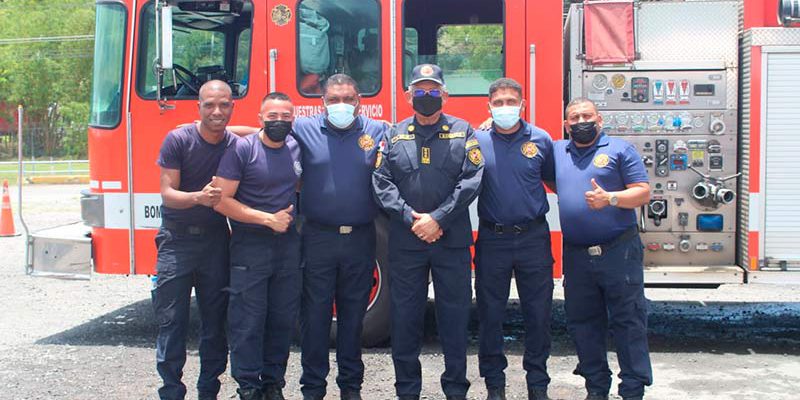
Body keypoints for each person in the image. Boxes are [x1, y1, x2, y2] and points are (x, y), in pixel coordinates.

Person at [372, 63, 484, 400]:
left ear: (445, 95)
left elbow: (472, 179)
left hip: (451, 241)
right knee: (405, 320)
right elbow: (381, 182)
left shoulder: (463, 132)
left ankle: (456, 390)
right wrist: (411, 218)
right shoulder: (393, 135)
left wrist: (439, 218)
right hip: (406, 243)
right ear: (408, 96)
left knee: (454, 320)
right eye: (419, 90)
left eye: (433, 90)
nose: (426, 96)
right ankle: (407, 391)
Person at [293, 74, 387, 400]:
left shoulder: (376, 130)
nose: (341, 105)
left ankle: (351, 387)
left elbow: (408, 137)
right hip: (318, 238)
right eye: (334, 99)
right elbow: (263, 134)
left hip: (360, 239)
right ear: (322, 102)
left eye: (348, 99)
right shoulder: (303, 129)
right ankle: (313, 388)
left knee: (353, 318)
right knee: (315, 317)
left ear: (359, 101)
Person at [553, 98, 653, 400]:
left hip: (618, 251)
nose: (581, 121)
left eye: (587, 116)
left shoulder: (621, 150)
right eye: (574, 118)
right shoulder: (557, 151)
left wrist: (610, 198)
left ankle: (632, 390)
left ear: (599, 119)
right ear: (566, 124)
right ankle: (596, 388)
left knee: (628, 320)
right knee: (583, 323)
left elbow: (643, 193)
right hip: (577, 255)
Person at [213, 92, 303, 400]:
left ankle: (273, 384)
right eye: (272, 116)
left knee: (282, 319)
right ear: (260, 118)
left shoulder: (295, 147)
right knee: (248, 321)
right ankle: (248, 386)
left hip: (288, 246)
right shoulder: (242, 150)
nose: (279, 121)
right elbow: (220, 200)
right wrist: (267, 219)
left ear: (293, 119)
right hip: (250, 246)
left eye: (285, 116)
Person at [153, 80, 237, 400]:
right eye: (209, 105)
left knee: (215, 324)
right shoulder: (178, 139)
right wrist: (198, 198)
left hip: (216, 242)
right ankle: (171, 391)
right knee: (172, 322)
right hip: (176, 242)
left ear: (232, 107)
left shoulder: (234, 144)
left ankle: (208, 391)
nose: (217, 111)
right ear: (197, 107)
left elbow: (253, 132)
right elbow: (167, 193)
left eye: (224, 105)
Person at [473, 78, 555, 400]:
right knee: (490, 315)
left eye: (511, 102)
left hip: (533, 238)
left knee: (538, 314)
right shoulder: (477, 140)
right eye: (499, 102)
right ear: (489, 106)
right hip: (493, 239)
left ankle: (538, 384)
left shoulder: (541, 139)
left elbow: (554, 179)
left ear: (522, 105)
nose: (505, 107)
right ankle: (495, 385)